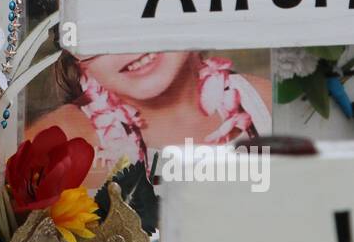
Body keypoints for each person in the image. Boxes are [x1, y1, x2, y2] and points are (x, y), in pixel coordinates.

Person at [28, 48, 271, 185]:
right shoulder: (57, 144)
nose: (128, 46)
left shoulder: (264, 101)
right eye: (99, 31)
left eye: (144, 9)